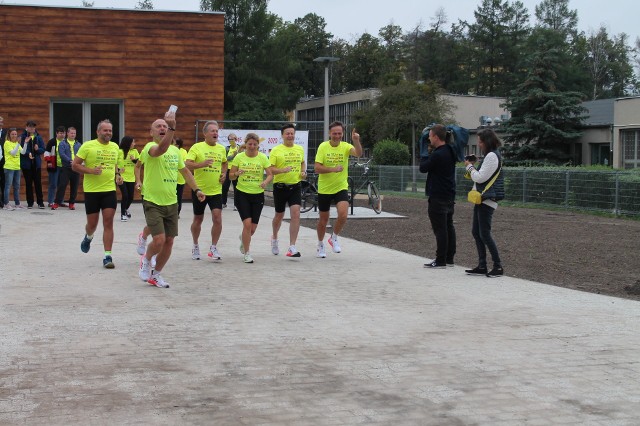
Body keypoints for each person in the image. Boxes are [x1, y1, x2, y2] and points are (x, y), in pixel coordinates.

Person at [137, 111, 205, 288]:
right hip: (152, 201)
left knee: (169, 241)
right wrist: (172, 127)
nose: (162, 128)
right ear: (151, 132)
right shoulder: (149, 148)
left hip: (171, 202)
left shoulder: (176, 151)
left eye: (164, 126)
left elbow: (185, 172)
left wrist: (196, 189)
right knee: (158, 240)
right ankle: (147, 259)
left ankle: (156, 274)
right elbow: (161, 150)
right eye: (158, 126)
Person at [72, 119, 123, 269]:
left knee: (108, 222)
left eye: (110, 131)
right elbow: (75, 166)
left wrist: (118, 176)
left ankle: (107, 256)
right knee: (92, 225)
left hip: (109, 190)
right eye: (105, 130)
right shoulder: (87, 146)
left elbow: (116, 166)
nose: (108, 133)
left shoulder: (115, 147)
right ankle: (88, 237)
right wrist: (90, 171)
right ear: (98, 131)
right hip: (92, 191)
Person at [314, 121, 362, 258]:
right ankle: (320, 244)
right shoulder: (323, 147)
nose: (337, 136)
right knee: (323, 220)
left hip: (341, 187)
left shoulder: (346, 146)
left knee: (343, 215)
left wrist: (356, 140)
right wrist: (333, 169)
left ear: (342, 134)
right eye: (334, 133)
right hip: (324, 189)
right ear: (330, 133)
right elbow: (317, 168)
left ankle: (334, 237)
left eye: (339, 133)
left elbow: (358, 153)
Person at [464, 128, 505, 278]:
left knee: (484, 233)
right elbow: (479, 176)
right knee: (477, 232)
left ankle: (498, 266)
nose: (479, 144)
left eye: (480, 142)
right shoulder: (490, 156)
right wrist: (472, 166)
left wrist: (469, 166)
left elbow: (480, 178)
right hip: (482, 199)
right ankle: (482, 265)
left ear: (487, 142)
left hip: (487, 199)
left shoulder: (492, 157)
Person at [186, 120, 228, 261]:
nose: (215, 133)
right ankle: (195, 245)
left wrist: (224, 174)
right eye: (212, 131)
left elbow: (224, 162)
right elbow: (187, 165)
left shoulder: (221, 149)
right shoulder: (197, 147)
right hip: (200, 190)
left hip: (216, 190)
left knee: (217, 218)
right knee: (198, 219)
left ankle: (213, 247)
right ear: (205, 133)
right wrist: (201, 164)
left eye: (217, 131)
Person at [229, 132, 273, 263]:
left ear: (258, 145)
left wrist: (265, 182)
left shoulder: (263, 157)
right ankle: (247, 253)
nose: (252, 146)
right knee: (247, 224)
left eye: (255, 144)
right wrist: (236, 173)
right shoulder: (239, 157)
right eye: (250, 144)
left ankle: (243, 239)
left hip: (257, 194)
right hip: (242, 193)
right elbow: (231, 176)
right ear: (245, 144)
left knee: (252, 229)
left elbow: (270, 174)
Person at [419, 123, 457, 269]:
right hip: (449, 194)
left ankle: (440, 260)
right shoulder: (450, 150)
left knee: (440, 228)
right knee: (448, 226)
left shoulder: (438, 154)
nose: (428, 140)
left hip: (438, 195)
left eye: (429, 137)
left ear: (435, 136)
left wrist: (423, 151)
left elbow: (423, 168)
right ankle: (449, 258)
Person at [270, 123, 306, 257]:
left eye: (292, 133)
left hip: (295, 186)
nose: (290, 136)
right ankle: (274, 238)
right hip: (280, 187)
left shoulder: (299, 149)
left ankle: (292, 246)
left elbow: (302, 162)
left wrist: (303, 172)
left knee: (296, 214)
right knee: (279, 215)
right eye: (287, 133)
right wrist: (282, 170)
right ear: (282, 135)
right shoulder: (276, 150)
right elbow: (270, 169)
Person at [53, 127, 81, 210]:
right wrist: (70, 161)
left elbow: (81, 154)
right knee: (62, 185)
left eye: (74, 133)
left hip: (76, 168)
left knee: (74, 187)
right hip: (66, 168)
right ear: (67, 134)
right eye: (71, 133)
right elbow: (62, 154)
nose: (73, 135)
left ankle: (71, 203)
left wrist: (77, 162)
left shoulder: (78, 144)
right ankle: (57, 203)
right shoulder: (62, 143)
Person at [19, 120, 45, 209]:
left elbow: (43, 149)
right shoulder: (22, 136)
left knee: (38, 183)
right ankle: (30, 202)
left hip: (36, 164)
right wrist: (28, 153)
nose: (32, 128)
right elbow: (21, 149)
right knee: (28, 183)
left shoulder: (38, 137)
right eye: (30, 127)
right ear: (26, 127)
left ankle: (40, 202)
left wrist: (37, 149)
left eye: (33, 127)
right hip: (27, 164)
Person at [117, 135, 139, 221]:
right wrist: (118, 170)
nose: (134, 144)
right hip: (121, 177)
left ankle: (125, 209)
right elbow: (114, 164)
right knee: (125, 195)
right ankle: (123, 214)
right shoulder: (119, 151)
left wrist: (134, 160)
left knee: (131, 197)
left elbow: (140, 163)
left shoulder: (135, 151)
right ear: (128, 143)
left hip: (131, 177)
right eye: (133, 142)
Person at [45, 126, 65, 208]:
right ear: (56, 133)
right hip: (54, 166)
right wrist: (49, 161)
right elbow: (46, 153)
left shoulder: (66, 142)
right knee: (53, 184)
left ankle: (60, 201)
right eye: (60, 133)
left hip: (64, 166)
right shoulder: (52, 142)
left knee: (62, 185)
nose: (62, 135)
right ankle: (51, 202)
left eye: (63, 133)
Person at [3, 129, 23, 210]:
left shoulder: (17, 144)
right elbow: (13, 153)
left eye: (15, 134)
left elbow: (23, 152)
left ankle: (17, 204)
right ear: (9, 135)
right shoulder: (7, 143)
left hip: (17, 167)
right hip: (9, 167)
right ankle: (6, 204)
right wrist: (18, 144)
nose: (14, 136)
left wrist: (25, 143)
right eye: (12, 134)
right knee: (8, 186)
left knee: (17, 186)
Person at [221, 132, 240, 209]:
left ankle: (236, 205)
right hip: (228, 169)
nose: (231, 141)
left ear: (236, 139)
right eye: (229, 139)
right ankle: (223, 203)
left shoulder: (239, 148)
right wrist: (233, 155)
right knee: (225, 187)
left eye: (232, 139)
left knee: (236, 187)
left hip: (236, 169)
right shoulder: (227, 148)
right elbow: (225, 159)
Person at [174, 138, 188, 216]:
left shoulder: (183, 152)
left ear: (178, 144)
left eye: (175, 143)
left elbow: (185, 163)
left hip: (180, 178)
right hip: (171, 178)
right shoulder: (170, 150)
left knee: (179, 197)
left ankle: (177, 212)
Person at [0, 116, 6, 208]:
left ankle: (3, 201)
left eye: (1, 121)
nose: (1, 123)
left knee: (3, 181)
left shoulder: (5, 132)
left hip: (3, 159)